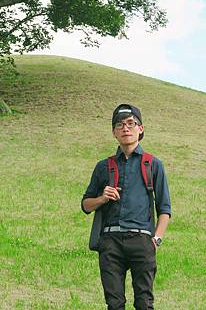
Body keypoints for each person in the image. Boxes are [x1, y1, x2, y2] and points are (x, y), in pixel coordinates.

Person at [81, 104, 171, 310]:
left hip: (142, 240)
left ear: (141, 129)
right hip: (110, 242)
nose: (125, 129)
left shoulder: (153, 164)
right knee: (114, 304)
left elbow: (165, 208)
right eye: (120, 125)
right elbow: (86, 205)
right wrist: (102, 198)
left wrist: (156, 240)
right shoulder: (103, 166)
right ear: (114, 132)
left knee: (144, 303)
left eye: (131, 124)